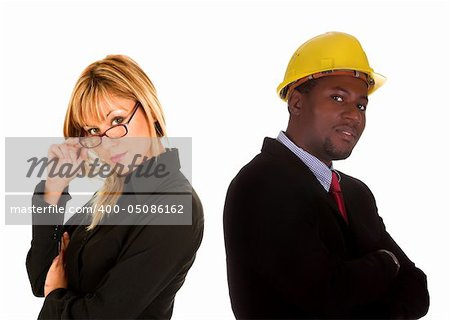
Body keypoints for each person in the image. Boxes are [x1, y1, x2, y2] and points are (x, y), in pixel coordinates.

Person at [223, 32, 429, 319]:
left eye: (360, 105)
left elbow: (417, 290)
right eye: (337, 98)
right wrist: (386, 263)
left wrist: (360, 280)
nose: (354, 115)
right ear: (296, 103)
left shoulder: (356, 194)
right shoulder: (261, 184)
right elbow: (324, 298)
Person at [26, 55, 204, 319]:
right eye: (94, 130)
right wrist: (53, 190)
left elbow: (103, 314)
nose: (107, 142)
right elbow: (42, 277)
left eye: (118, 121)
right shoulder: (110, 192)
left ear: (149, 108)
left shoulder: (177, 205)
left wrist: (56, 298)